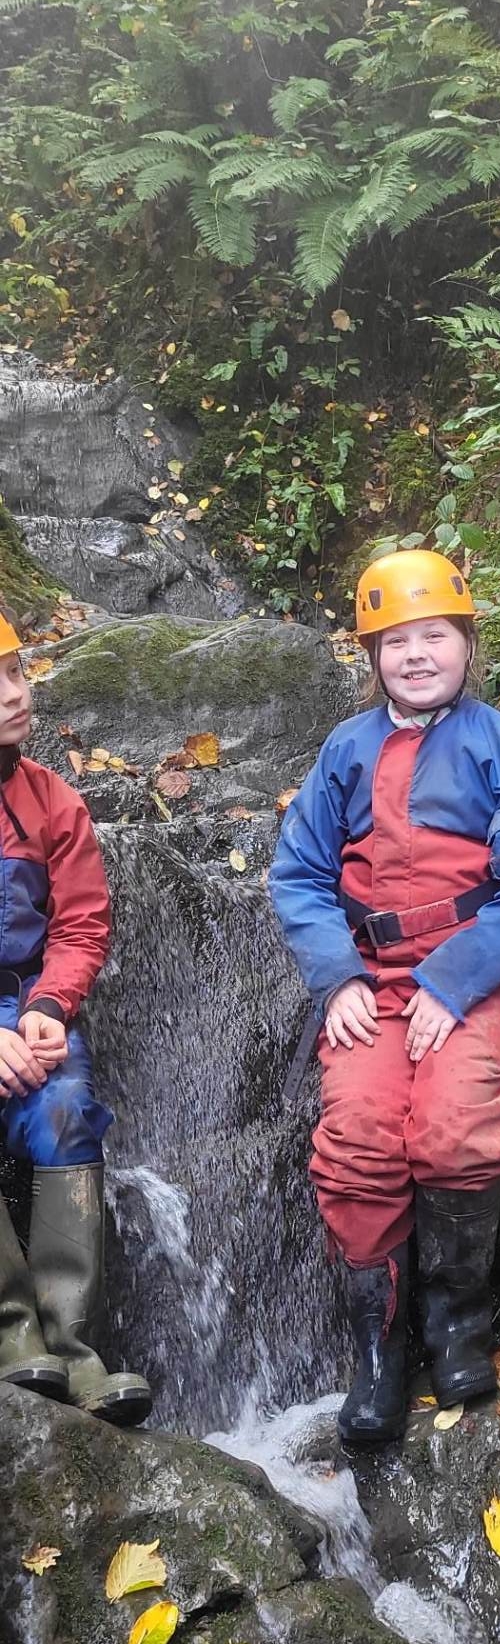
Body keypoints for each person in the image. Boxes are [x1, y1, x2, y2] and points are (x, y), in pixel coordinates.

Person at [269, 550, 500, 1447]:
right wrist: (338, 977)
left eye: (434, 635)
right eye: (395, 641)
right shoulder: (345, 751)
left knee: (455, 1125)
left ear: (468, 642)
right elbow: (299, 874)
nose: (415, 654)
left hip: (475, 977)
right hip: (370, 981)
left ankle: (455, 1324)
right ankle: (379, 1347)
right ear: (371, 656)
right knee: (359, 1134)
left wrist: (454, 980)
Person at [0, 611, 151, 1425]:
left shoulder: (50, 798)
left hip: (25, 1003)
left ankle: (71, 1348)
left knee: (64, 1109)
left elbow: (82, 922)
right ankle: (11, 1337)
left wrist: (49, 1007)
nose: (12, 694)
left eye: (15, 672)